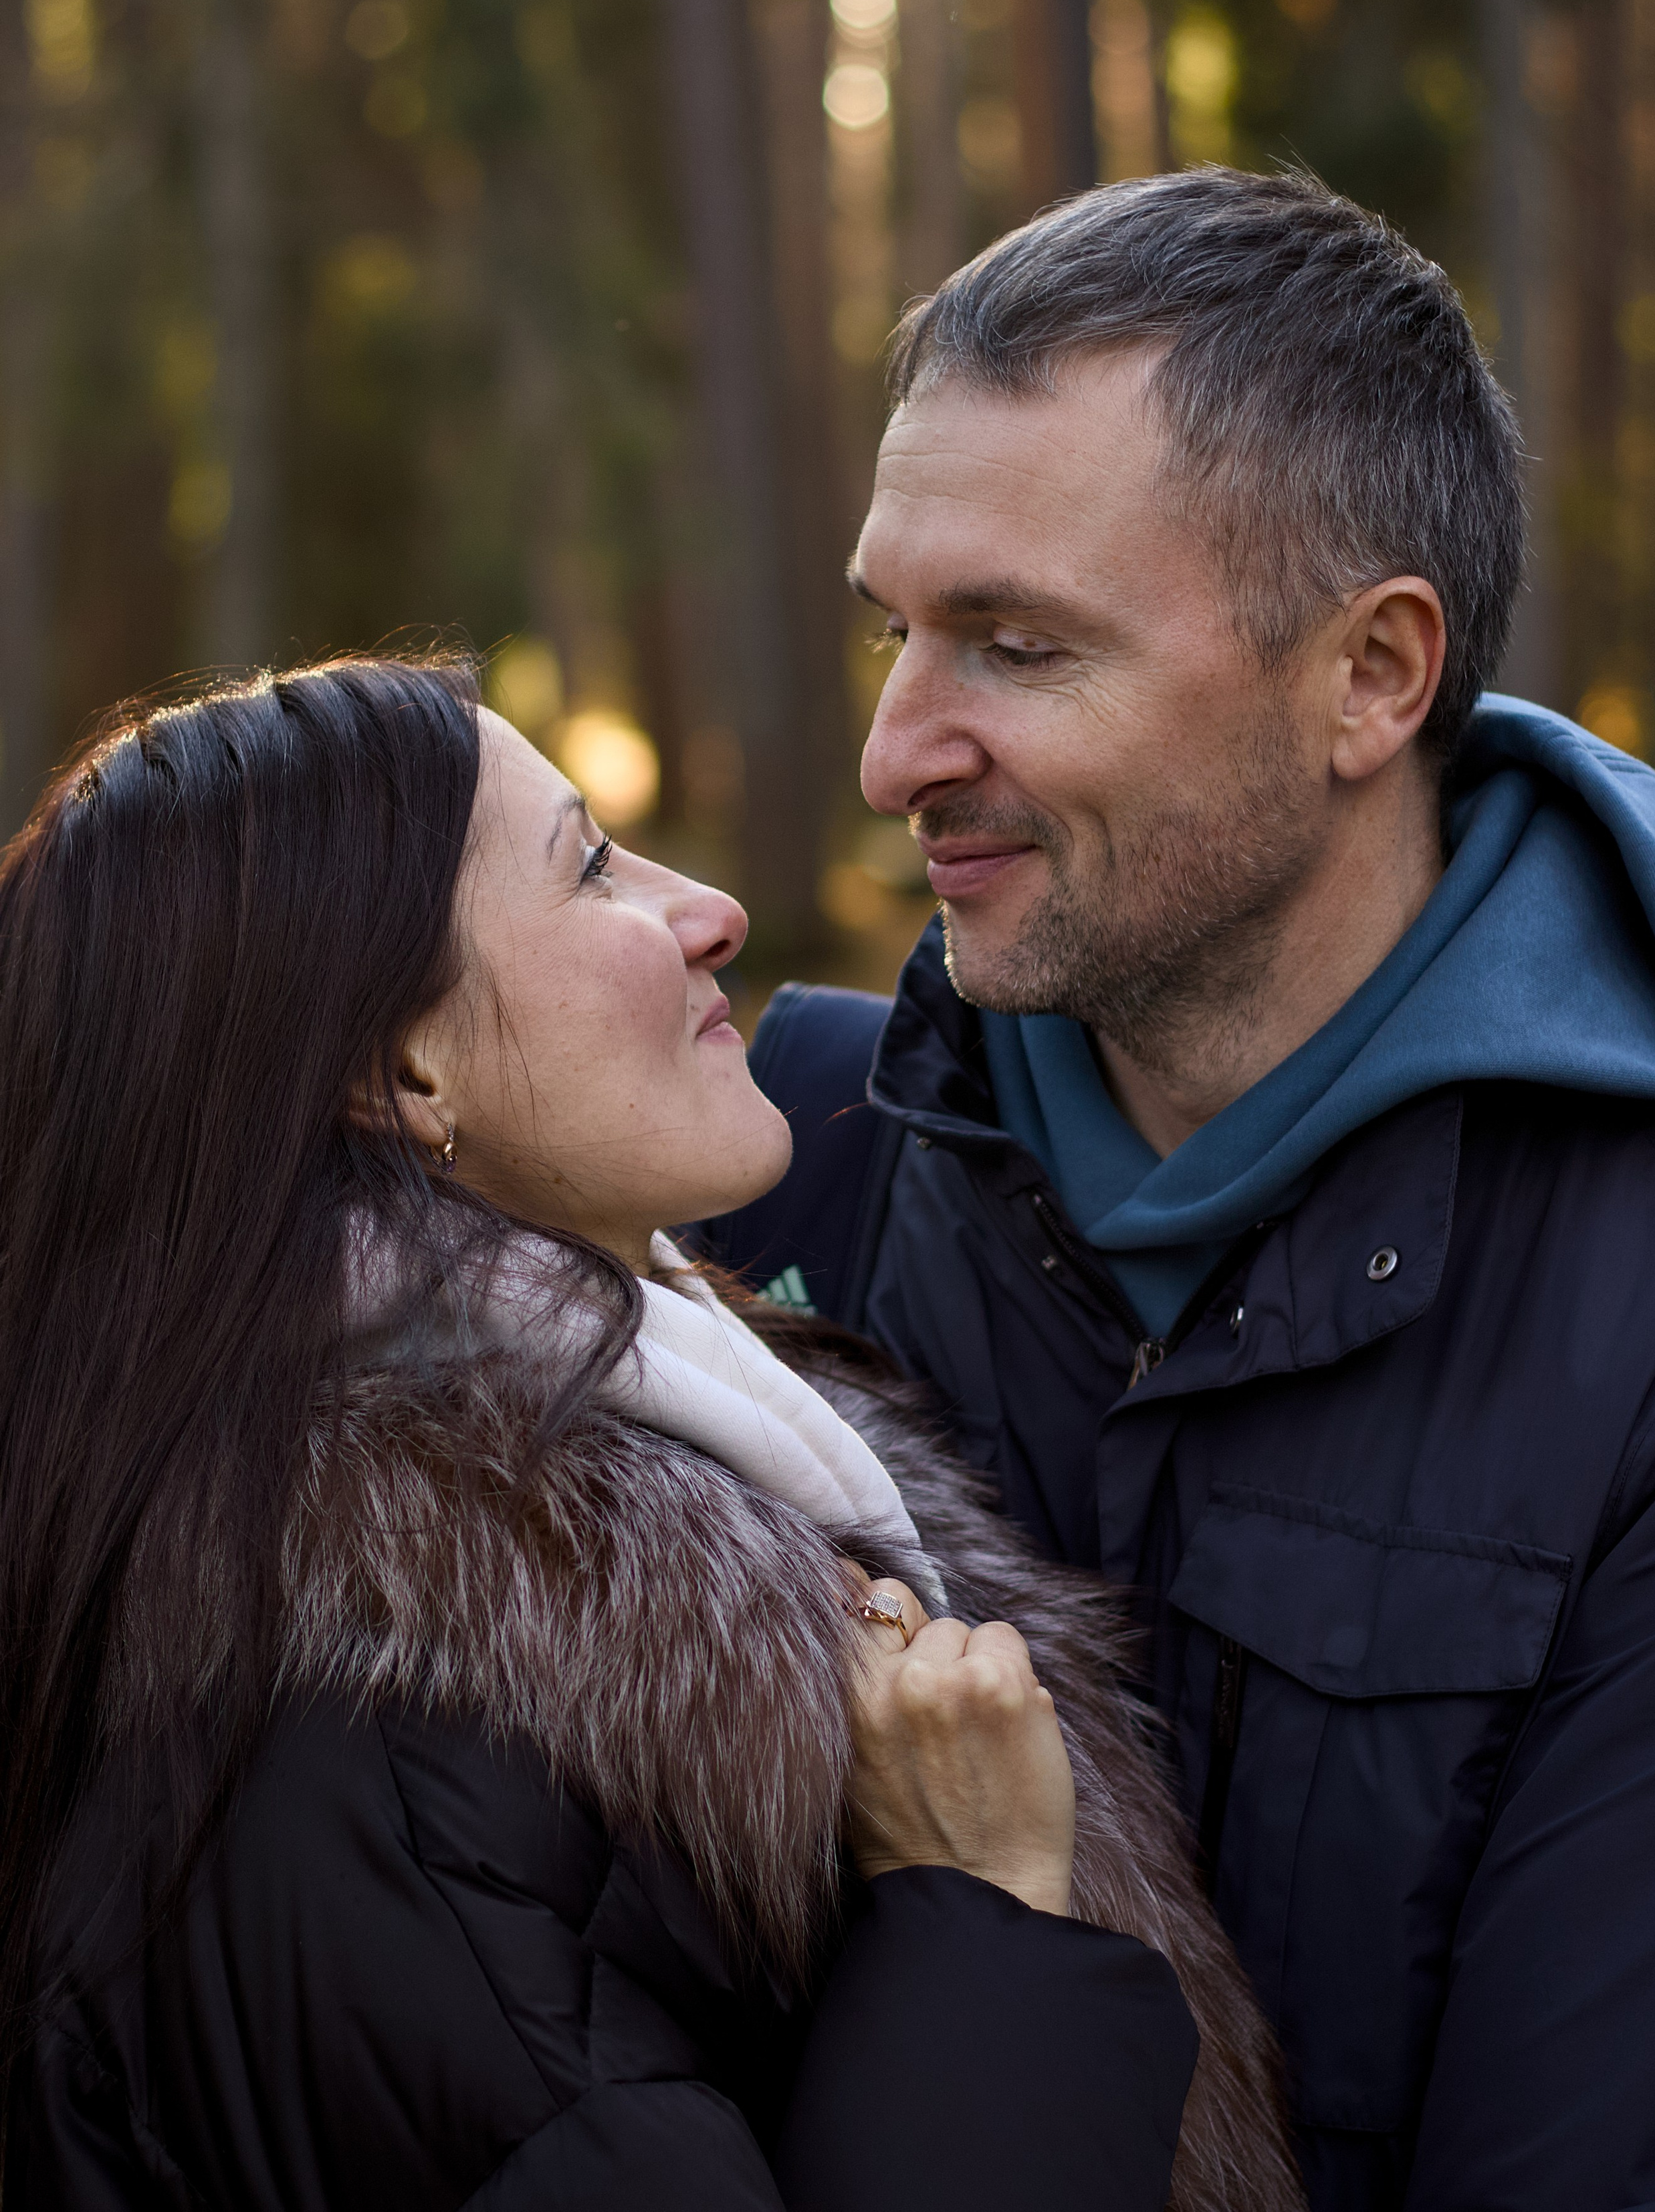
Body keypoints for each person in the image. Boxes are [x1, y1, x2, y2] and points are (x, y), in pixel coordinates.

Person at [697, 167, 1655, 2212]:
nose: (895, 755)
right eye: (900, 632)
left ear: (1370, 677)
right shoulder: (777, 1165)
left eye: (1018, 646)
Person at [0, 658, 1301, 2212]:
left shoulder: (666, 1451)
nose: (714, 912)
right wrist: (977, 1917)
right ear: (400, 1073)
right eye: (591, 868)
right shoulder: (374, 1772)